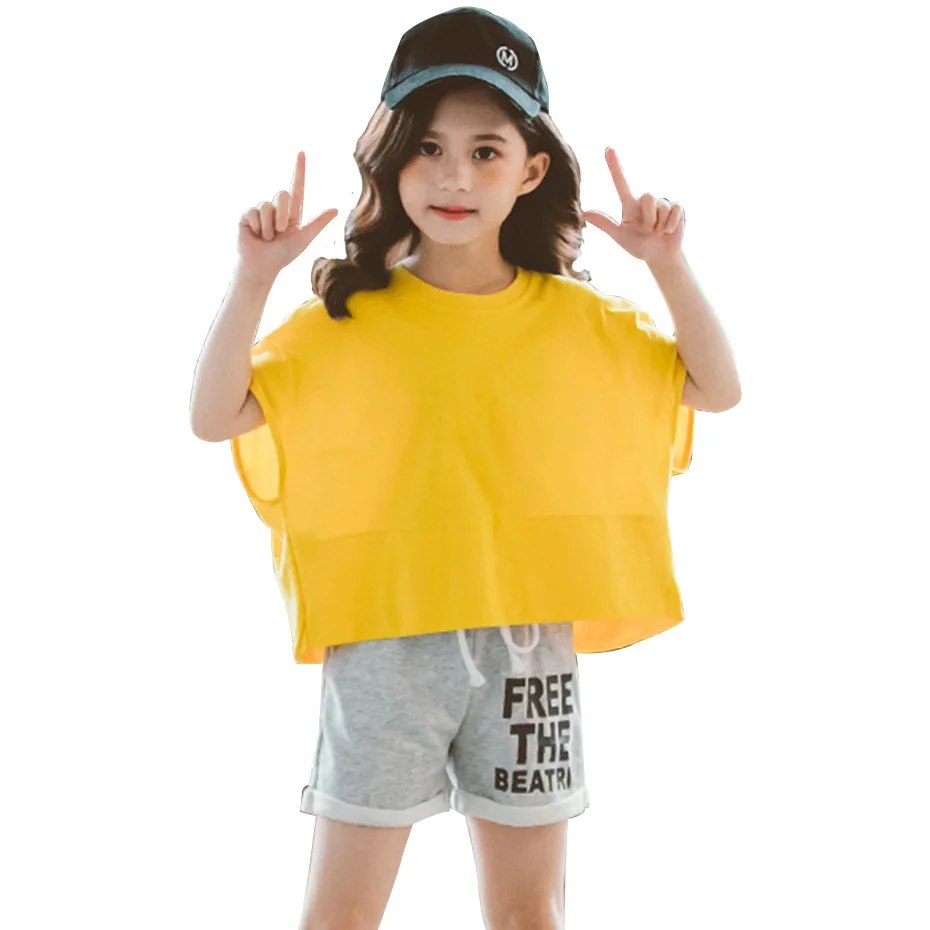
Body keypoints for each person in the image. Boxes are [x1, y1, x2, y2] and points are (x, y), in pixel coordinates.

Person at [189, 7, 740, 929]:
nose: (454, 176)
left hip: (527, 647)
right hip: (385, 643)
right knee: (339, 916)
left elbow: (717, 390)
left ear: (531, 171)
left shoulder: (582, 322)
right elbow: (215, 417)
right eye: (428, 148)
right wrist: (252, 279)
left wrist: (668, 265)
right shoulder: (344, 321)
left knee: (529, 915)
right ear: (390, 159)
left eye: (486, 151)